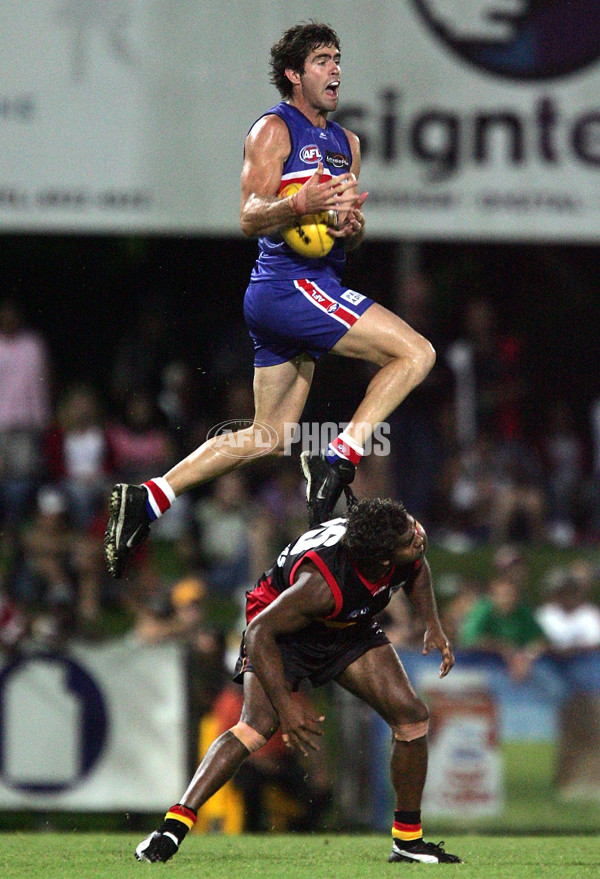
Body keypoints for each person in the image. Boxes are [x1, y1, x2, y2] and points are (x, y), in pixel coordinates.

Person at [104, 22, 435, 578]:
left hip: (305, 289)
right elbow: (249, 215)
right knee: (416, 353)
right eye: (323, 60)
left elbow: (344, 234)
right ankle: (338, 458)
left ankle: (151, 497)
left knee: (269, 436)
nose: (335, 70)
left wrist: (351, 225)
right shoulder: (273, 131)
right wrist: (298, 203)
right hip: (290, 286)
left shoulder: (347, 143)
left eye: (337, 58)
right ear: (294, 73)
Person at [134, 497, 461, 865]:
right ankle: (173, 826)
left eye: (411, 526)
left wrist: (433, 623)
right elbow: (259, 633)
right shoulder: (320, 583)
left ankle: (407, 842)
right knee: (257, 727)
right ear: (383, 558)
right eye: (407, 538)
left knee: (412, 717)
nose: (418, 536)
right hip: (280, 632)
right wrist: (287, 707)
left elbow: (416, 567)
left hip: (343, 625)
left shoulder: (389, 543)